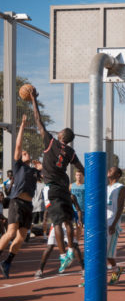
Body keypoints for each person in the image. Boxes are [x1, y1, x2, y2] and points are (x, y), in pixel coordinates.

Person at [30, 89, 85, 273]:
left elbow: (38, 119)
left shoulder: (51, 142)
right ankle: (70, 249)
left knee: (57, 224)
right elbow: (81, 169)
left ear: (61, 136)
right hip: (64, 188)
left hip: (52, 187)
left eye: (60, 130)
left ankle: (63, 255)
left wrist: (33, 99)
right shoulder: (70, 152)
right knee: (68, 221)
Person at [0, 115, 41, 278]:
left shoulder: (34, 171)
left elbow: (48, 176)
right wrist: (22, 125)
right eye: (23, 153)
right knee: (10, 233)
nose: (24, 153)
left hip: (28, 206)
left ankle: (7, 261)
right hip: (17, 202)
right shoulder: (18, 167)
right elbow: (18, 145)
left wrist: (42, 167)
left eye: (26, 153)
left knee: (22, 237)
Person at [106, 166, 125, 285]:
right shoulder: (105, 188)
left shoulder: (120, 188)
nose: (109, 170)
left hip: (111, 224)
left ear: (118, 174)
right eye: (109, 169)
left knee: (108, 254)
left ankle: (116, 270)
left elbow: (120, 207)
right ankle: (116, 270)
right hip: (102, 222)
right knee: (102, 253)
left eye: (112, 169)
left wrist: (114, 224)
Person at [70, 170, 85, 241]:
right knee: (73, 226)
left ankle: (78, 242)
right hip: (73, 210)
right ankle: (74, 241)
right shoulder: (71, 186)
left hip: (82, 210)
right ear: (75, 176)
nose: (78, 177)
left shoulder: (86, 186)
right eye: (77, 175)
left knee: (80, 226)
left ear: (83, 176)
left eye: (80, 175)